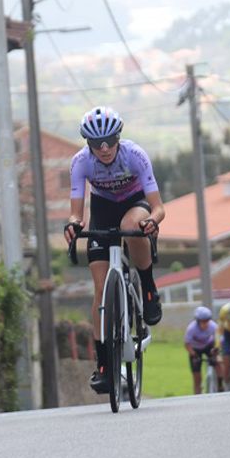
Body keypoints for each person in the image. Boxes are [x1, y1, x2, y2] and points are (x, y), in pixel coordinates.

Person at [63, 107, 165, 393]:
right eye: (97, 144)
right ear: (88, 144)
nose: (104, 148)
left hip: (134, 204)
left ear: (119, 137)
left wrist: (151, 221)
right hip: (102, 210)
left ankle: (147, 288)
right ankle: (106, 365)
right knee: (99, 290)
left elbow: (158, 207)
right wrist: (72, 226)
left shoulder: (134, 155)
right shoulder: (80, 162)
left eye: (109, 141)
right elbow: (76, 213)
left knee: (130, 223)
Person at [184, 306, 220, 394]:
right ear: (198, 321)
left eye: (207, 321)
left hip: (209, 346)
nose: (205, 324)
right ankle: (197, 393)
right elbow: (187, 344)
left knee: (218, 363)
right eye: (203, 322)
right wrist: (193, 354)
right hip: (195, 350)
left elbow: (218, 339)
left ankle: (221, 384)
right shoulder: (191, 329)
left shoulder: (213, 326)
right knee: (197, 375)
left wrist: (216, 349)